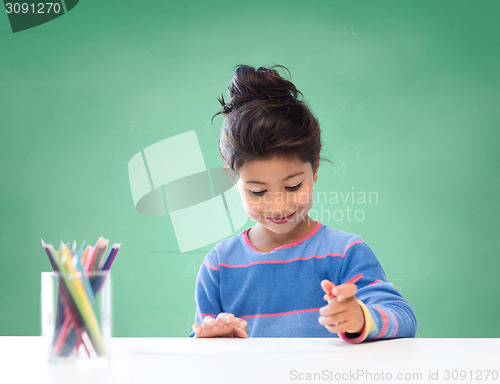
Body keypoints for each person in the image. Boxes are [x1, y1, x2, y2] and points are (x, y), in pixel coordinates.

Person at [190, 64, 417, 342]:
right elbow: (197, 344)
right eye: (258, 192)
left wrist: (359, 318)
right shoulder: (219, 266)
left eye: (293, 186)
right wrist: (214, 342)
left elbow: (402, 317)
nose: (279, 206)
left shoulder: (344, 253)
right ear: (232, 179)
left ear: (315, 167)